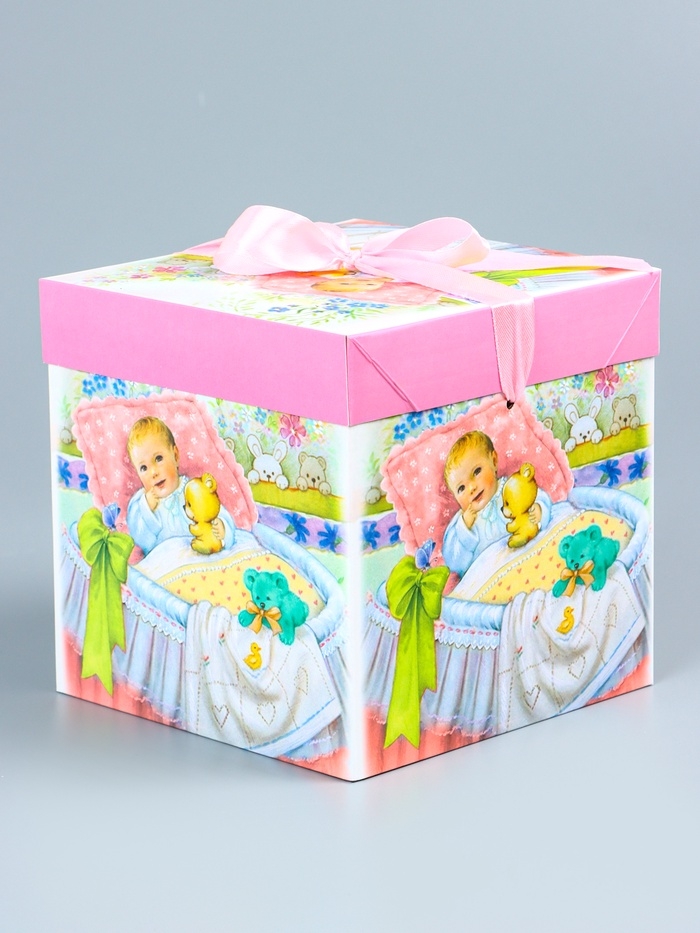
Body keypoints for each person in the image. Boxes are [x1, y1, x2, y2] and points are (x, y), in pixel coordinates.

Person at [441, 430, 552, 576]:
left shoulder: (510, 487)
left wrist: (539, 510)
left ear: (493, 461)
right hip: (489, 578)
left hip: (527, 562)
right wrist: (464, 529)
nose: (472, 488)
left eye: (476, 472)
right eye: (461, 488)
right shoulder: (462, 523)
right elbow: (454, 563)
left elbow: (534, 495)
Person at [126, 416, 236, 555]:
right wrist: (147, 509)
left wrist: (222, 528)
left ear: (176, 456)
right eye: (144, 468)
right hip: (165, 563)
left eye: (158, 459)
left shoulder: (193, 489)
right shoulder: (141, 504)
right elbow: (141, 540)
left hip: (200, 557)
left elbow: (215, 511)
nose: (153, 472)